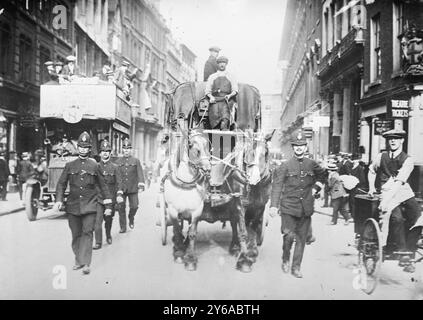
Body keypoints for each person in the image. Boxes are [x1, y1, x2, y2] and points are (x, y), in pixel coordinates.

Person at [269, 132, 326, 278]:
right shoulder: (285, 166)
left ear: (306, 147)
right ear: (293, 148)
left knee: (301, 239)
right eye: (296, 146)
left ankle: (296, 267)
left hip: (305, 208)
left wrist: (316, 188)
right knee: (288, 236)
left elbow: (323, 175)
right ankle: (285, 258)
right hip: (288, 207)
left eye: (302, 146)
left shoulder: (311, 164)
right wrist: (274, 206)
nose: (299, 148)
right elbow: (277, 186)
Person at [54, 132, 112, 275]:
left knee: (87, 232)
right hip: (73, 206)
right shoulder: (70, 165)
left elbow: (103, 185)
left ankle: (86, 263)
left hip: (90, 205)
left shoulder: (94, 166)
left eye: (86, 147)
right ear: (77, 148)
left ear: (89, 149)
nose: (83, 150)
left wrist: (108, 205)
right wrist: (59, 200)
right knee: (76, 235)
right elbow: (61, 184)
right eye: (81, 147)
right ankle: (78, 259)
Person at [368, 129, 422, 273]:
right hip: (387, 191)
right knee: (396, 218)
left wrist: (386, 201)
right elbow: (371, 171)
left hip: (403, 191)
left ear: (402, 141)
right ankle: (402, 252)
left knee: (419, 218)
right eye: (390, 138)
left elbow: (399, 183)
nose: (393, 141)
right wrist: (372, 187)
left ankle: (410, 251)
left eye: (396, 138)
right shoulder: (381, 156)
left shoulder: (408, 159)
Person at [93, 140, 121, 249]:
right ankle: (98, 242)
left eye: (107, 151)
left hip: (110, 198)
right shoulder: (96, 167)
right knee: (97, 220)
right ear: (100, 153)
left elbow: (119, 182)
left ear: (110, 153)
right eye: (103, 151)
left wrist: (119, 194)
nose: (105, 153)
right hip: (99, 198)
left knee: (108, 219)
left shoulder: (115, 167)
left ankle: (108, 234)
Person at [115, 138, 145, 232]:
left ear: (131, 149)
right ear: (122, 149)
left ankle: (131, 217)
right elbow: (117, 177)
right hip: (122, 188)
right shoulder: (118, 162)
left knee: (135, 206)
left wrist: (140, 185)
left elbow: (140, 173)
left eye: (128, 148)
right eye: (124, 148)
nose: (126, 150)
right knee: (121, 207)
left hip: (133, 188)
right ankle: (123, 227)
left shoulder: (136, 161)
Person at [205, 56, 238, 130]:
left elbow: (235, 90)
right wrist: (211, 97)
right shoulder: (212, 77)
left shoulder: (230, 76)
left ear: (226, 64)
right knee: (214, 122)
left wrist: (229, 95)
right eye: (220, 63)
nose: (222, 65)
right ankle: (215, 140)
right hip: (214, 102)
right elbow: (207, 91)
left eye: (224, 63)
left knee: (225, 121)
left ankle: (225, 140)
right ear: (217, 64)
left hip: (226, 101)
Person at [349, 154, 367, 218]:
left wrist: (356, 183)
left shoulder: (360, 168)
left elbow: (362, 179)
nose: (353, 161)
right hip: (351, 187)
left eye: (355, 160)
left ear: (358, 161)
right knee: (351, 201)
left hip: (357, 187)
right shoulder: (352, 167)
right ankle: (352, 214)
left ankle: (354, 216)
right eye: (353, 160)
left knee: (354, 202)